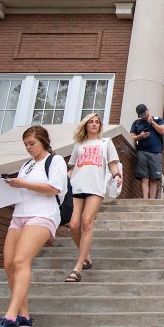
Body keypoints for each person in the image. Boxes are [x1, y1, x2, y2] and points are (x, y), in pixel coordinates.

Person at [0, 125, 67, 327]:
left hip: (42, 214)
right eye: (26, 145)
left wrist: (24, 184)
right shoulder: (27, 165)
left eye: (32, 143)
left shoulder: (55, 161)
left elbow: (55, 189)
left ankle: (10, 318)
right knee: (9, 264)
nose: (29, 148)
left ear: (43, 141)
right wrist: (11, 185)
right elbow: (25, 188)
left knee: (21, 261)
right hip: (20, 213)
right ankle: (24, 316)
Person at [64, 113, 121, 282]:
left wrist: (117, 175)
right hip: (76, 187)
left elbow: (112, 164)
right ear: (86, 125)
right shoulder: (79, 145)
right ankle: (86, 255)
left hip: (95, 188)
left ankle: (78, 268)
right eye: (91, 122)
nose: (95, 124)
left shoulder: (106, 143)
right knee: (74, 225)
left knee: (87, 222)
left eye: (97, 122)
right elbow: (72, 168)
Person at [130, 102, 164, 200]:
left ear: (147, 110)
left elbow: (163, 131)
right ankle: (145, 200)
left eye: (144, 114)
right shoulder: (137, 123)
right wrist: (140, 136)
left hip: (156, 153)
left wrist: (152, 123)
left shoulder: (157, 120)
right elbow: (131, 137)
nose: (143, 117)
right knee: (144, 177)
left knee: (154, 178)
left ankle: (151, 200)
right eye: (140, 115)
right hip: (142, 152)